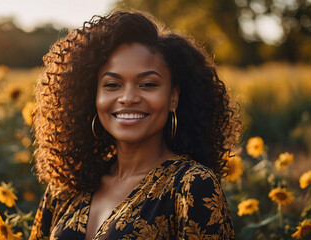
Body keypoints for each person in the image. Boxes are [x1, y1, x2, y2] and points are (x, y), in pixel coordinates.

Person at [29, 10, 240, 240]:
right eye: (112, 84)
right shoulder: (68, 186)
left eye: (148, 84)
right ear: (93, 96)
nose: (128, 98)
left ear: (173, 97)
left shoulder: (191, 186)